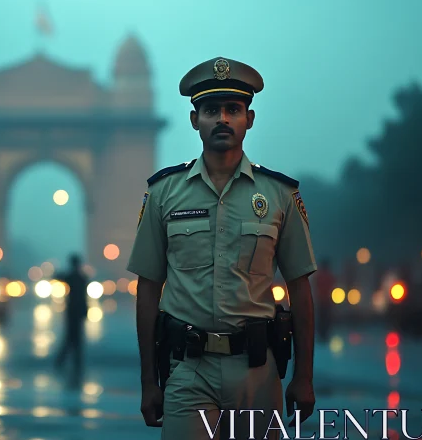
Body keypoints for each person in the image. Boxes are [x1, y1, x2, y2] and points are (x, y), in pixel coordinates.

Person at [128, 57, 317, 439]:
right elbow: (148, 288)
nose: (223, 119)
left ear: (250, 118)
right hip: (187, 370)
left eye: (233, 109)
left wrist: (304, 377)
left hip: (257, 370)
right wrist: (149, 381)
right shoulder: (164, 193)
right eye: (211, 110)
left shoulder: (279, 194)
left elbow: (300, 287)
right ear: (194, 119)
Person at [53, 253, 89, 388]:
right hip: (78, 311)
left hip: (72, 311)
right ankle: (73, 363)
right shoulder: (82, 277)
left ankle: (61, 361)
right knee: (76, 338)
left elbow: (57, 276)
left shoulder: (72, 277)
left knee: (71, 338)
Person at [312, 259, 336, 342]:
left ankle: (321, 334)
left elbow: (315, 285)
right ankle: (325, 334)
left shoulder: (319, 276)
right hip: (327, 300)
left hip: (321, 300)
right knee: (326, 318)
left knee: (321, 318)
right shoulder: (330, 276)